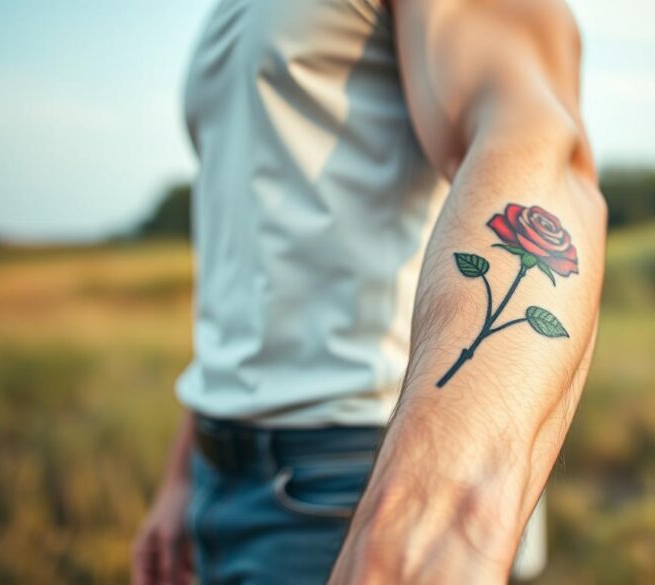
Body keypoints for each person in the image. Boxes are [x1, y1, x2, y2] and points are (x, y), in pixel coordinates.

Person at [132, 0, 606, 582]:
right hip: (220, 475)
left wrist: (437, 507)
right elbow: (251, 259)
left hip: (352, 487)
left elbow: (535, 146)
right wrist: (186, 470)